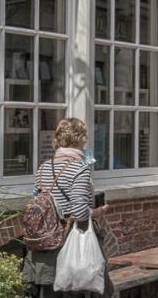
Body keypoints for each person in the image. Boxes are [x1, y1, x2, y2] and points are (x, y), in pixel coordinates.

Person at [23, 118, 112, 298]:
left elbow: (37, 198)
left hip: (46, 242)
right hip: (70, 243)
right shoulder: (79, 169)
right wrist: (97, 212)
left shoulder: (44, 167)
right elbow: (79, 212)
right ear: (80, 139)